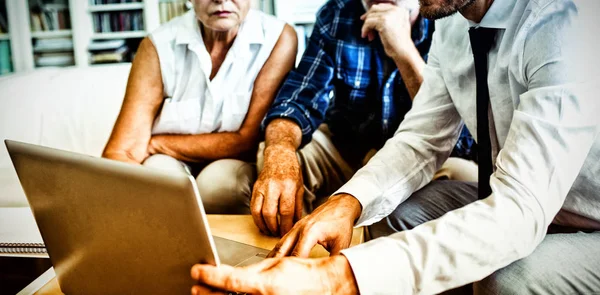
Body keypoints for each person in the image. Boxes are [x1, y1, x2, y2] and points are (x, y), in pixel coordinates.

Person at [190, 0, 600, 294]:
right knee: (398, 212)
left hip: (586, 221)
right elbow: (421, 139)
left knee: (509, 279)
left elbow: (519, 210)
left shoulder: (564, 23)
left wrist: (337, 278)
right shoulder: (451, 24)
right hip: (528, 201)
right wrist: (346, 202)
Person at [250, 0, 477, 237]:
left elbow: (460, 140)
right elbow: (298, 100)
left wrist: (403, 49)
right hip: (348, 149)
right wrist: (280, 153)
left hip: (426, 156)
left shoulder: (446, 16)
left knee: (464, 174)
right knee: (275, 150)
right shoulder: (337, 14)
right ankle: (294, 248)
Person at [102, 0, 297, 213]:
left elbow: (246, 140)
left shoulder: (278, 38)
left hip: (235, 161)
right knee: (157, 174)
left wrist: (156, 144)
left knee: (219, 183)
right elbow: (121, 152)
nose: (221, 0)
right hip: (170, 162)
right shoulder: (158, 45)